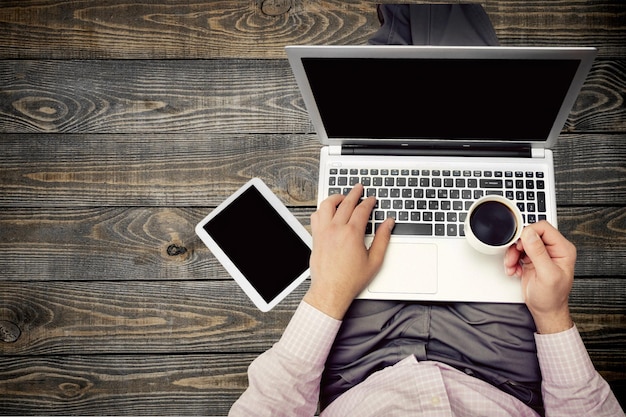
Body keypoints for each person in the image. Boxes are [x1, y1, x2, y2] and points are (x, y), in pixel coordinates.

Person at [228, 184, 624, 416]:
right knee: (480, 117)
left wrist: (329, 290)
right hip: (501, 371)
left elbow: (268, 406)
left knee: (381, 94)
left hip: (356, 369)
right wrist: (552, 312)